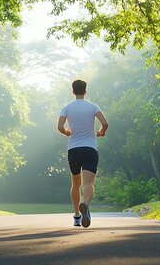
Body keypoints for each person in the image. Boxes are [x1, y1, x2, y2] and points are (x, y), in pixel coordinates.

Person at [57, 79, 108, 228]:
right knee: (88, 183)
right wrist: (100, 132)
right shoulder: (93, 107)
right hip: (90, 148)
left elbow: (59, 126)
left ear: (73, 91)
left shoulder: (66, 108)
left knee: (76, 183)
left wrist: (67, 132)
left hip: (74, 149)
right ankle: (84, 203)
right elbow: (105, 123)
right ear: (85, 91)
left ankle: (77, 217)